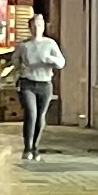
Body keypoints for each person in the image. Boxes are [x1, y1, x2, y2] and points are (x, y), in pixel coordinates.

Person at [11, 16, 66, 157]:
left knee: (40, 116)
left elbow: (61, 62)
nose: (37, 28)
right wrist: (20, 66)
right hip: (27, 82)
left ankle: (35, 146)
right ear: (30, 28)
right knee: (31, 114)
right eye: (34, 25)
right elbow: (15, 60)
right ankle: (27, 147)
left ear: (44, 27)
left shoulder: (50, 43)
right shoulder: (24, 45)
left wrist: (50, 60)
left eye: (40, 25)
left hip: (45, 84)